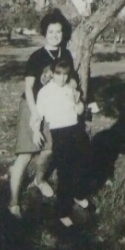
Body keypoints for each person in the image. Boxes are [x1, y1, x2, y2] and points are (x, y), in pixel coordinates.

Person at [8, 11, 74, 218]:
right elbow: (28, 89)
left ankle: (39, 179)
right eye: (51, 31)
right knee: (26, 155)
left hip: (52, 109)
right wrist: (35, 118)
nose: (55, 35)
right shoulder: (36, 57)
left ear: (63, 33)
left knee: (49, 150)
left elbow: (70, 80)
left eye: (59, 31)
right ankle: (14, 201)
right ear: (45, 33)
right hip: (32, 106)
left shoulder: (66, 54)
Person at [34, 59, 91, 227]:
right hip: (59, 133)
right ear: (53, 73)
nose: (63, 78)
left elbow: (79, 110)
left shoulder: (70, 88)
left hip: (75, 130)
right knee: (65, 172)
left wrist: (77, 100)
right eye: (59, 74)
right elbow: (38, 114)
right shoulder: (45, 92)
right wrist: (36, 130)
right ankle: (62, 211)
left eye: (66, 74)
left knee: (80, 165)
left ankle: (78, 195)